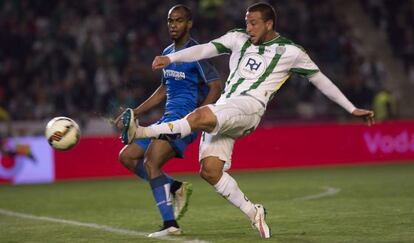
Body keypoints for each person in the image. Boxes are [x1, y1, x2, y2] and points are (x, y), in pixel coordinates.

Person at [122, 2, 375, 239]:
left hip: (249, 107)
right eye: (247, 22)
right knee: (210, 172)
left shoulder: (291, 52)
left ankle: (141, 132)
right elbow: (205, 49)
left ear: (269, 24)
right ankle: (254, 212)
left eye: (254, 23)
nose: (249, 28)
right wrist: (172, 58)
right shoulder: (237, 38)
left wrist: (351, 108)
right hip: (226, 107)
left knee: (199, 116)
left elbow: (321, 80)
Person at [115, 4, 222, 238]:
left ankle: (170, 224)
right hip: (167, 119)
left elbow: (216, 85)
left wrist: (200, 115)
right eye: (170, 21)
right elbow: (164, 88)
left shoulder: (198, 52)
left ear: (189, 23)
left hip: (185, 122)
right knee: (127, 156)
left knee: (151, 162)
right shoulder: (168, 52)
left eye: (179, 20)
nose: (173, 25)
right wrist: (137, 111)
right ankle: (174, 187)